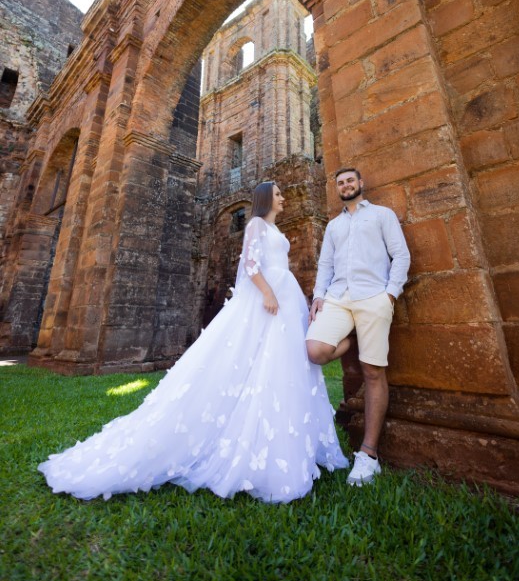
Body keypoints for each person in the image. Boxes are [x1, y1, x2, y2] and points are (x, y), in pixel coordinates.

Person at [39, 182, 348, 503]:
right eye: (278, 194)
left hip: (287, 295)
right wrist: (268, 293)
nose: (283, 198)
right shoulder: (256, 224)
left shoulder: (274, 228)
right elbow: (250, 265)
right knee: (259, 359)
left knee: (283, 364)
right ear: (266, 198)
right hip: (269, 296)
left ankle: (285, 442)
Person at [306, 168, 410, 487]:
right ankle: (352, 337)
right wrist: (319, 295)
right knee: (315, 350)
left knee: (372, 371)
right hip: (338, 297)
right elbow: (325, 264)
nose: (346, 185)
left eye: (350, 180)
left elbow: (401, 255)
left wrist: (389, 295)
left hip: (373, 296)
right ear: (337, 189)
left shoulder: (381, 215)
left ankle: (368, 455)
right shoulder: (333, 226)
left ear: (361, 184)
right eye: (340, 183)